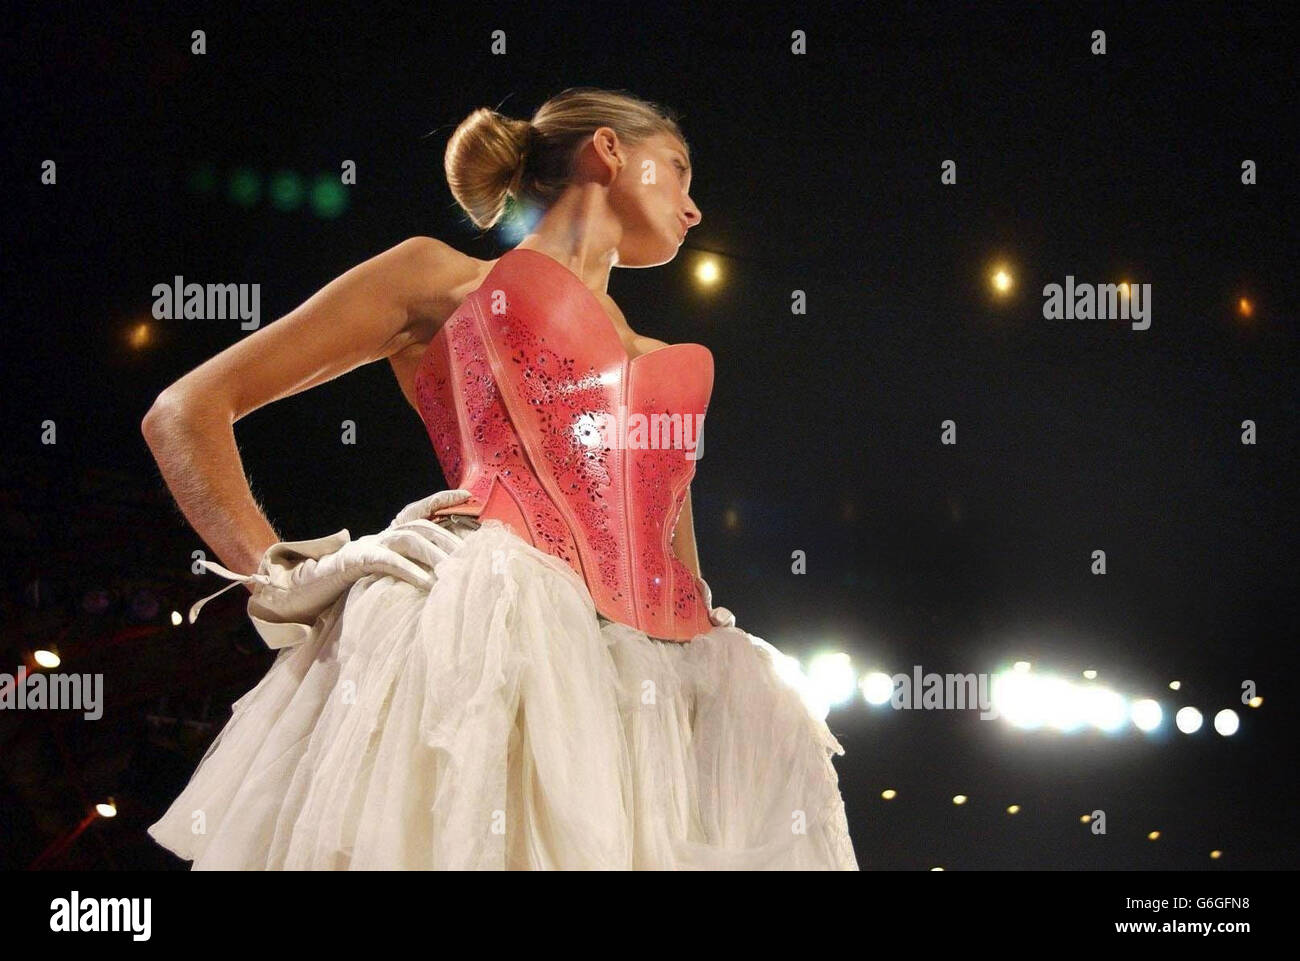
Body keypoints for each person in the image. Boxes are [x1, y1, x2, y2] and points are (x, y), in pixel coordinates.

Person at [142, 86, 859, 870]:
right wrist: (280, 574)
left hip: (653, 707)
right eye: (679, 171)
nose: (693, 209)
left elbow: (677, 557)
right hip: (486, 641)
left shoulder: (663, 360)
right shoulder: (443, 278)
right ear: (608, 151)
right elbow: (186, 410)